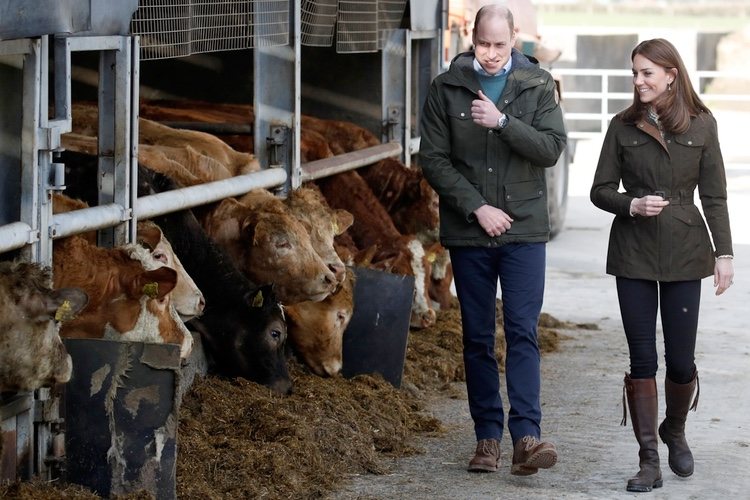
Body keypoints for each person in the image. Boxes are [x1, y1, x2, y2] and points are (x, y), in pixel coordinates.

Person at [419, 4, 567, 475]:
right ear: (473, 38)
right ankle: (487, 439)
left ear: (515, 39)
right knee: (478, 337)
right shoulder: (446, 88)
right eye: (483, 43)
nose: (490, 54)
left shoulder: (538, 84)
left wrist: (502, 123)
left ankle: (526, 435)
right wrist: (477, 208)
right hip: (470, 231)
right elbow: (433, 159)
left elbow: (550, 149)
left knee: (523, 331)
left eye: (500, 45)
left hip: (523, 231)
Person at [590, 38, 734, 493]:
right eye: (634, 73)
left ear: (671, 74)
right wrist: (631, 205)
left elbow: (714, 195)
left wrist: (724, 254)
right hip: (633, 251)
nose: (638, 81)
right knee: (642, 359)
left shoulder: (702, 124)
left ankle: (675, 429)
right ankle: (648, 459)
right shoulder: (622, 125)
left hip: (686, 251)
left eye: (646, 73)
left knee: (681, 359)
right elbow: (599, 189)